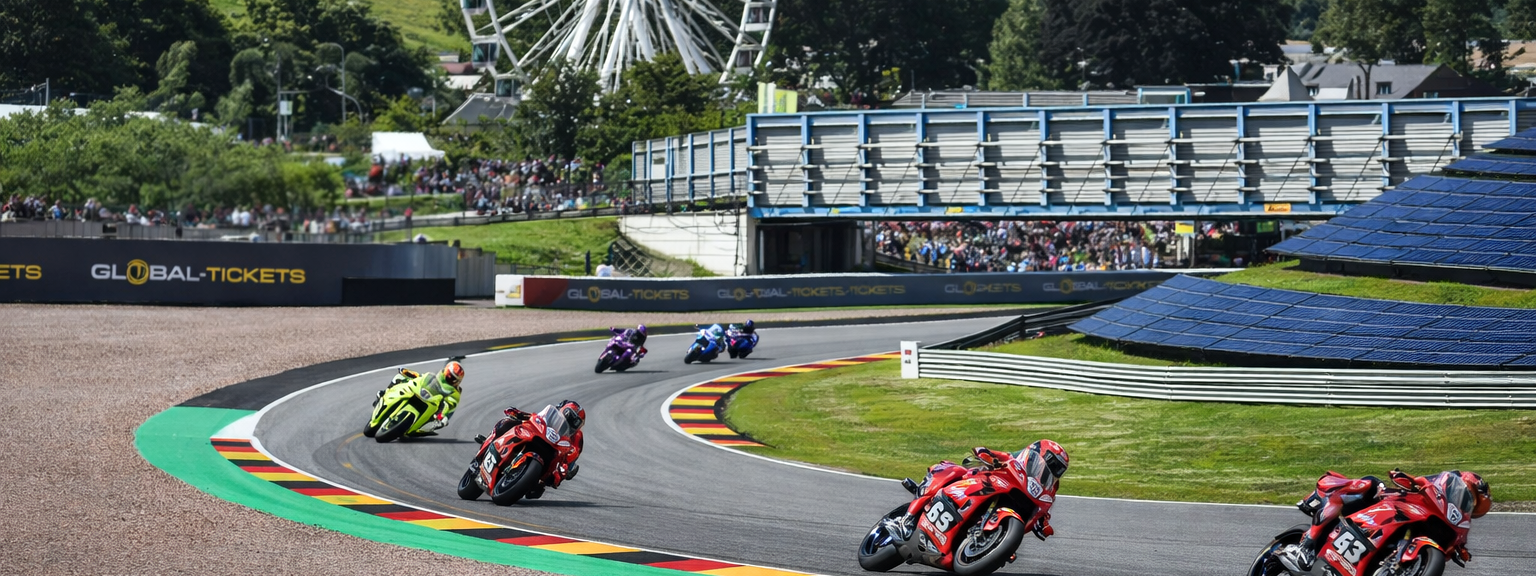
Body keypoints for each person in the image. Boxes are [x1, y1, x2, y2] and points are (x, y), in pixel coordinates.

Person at [1279, 469, 1491, 572]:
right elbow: (1418, 482)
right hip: (1386, 505)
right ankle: (1306, 545)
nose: (1467, 506)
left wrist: (1460, 550)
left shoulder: (1459, 523)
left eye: (1472, 506)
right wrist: (1406, 479)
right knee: (1371, 484)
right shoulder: (1438, 485)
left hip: (1419, 530)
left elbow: (1455, 547)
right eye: (1468, 498)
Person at [475, 400, 586, 499]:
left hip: (553, 451)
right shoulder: (550, 415)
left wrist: (566, 470)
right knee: (507, 422)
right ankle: (489, 441)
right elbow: (535, 417)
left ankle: (524, 480)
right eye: (570, 417)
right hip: (536, 434)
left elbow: (574, 454)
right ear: (561, 409)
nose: (571, 423)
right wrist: (518, 414)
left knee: (542, 486)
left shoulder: (577, 437)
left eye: (576, 423)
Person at [383, 360, 464, 435]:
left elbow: (449, 407)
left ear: (457, 381)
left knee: (441, 421)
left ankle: (421, 428)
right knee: (399, 377)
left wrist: (442, 417)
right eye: (448, 374)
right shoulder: (434, 376)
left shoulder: (455, 393)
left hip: (435, 409)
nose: (449, 377)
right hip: (422, 393)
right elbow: (420, 377)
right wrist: (407, 373)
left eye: (452, 378)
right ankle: (385, 393)